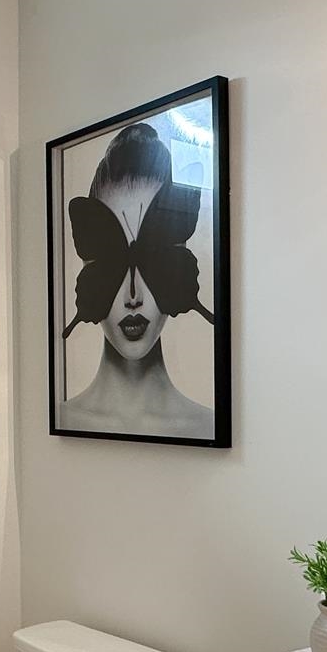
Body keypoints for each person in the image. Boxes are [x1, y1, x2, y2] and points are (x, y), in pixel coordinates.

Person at [59, 121, 216, 439]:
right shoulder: (62, 419)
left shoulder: (207, 426)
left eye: (155, 257)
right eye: (109, 257)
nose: (134, 295)